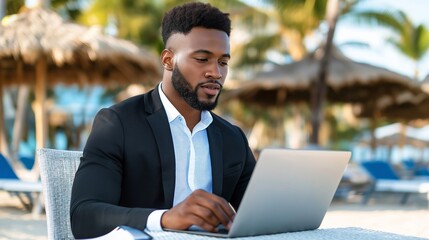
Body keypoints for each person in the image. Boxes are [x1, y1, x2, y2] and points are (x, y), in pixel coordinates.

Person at [70, 2, 256, 239]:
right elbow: (84, 217)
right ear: (168, 60)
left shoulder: (233, 138)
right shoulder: (118, 123)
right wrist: (165, 218)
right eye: (202, 59)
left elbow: (261, 215)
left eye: (223, 62)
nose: (216, 73)